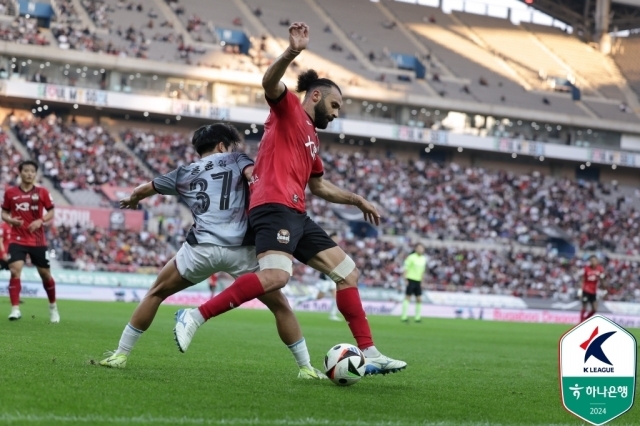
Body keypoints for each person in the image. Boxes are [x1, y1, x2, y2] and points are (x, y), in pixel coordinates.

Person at [173, 23, 406, 376]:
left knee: (347, 272)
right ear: (315, 96)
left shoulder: (312, 139)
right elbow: (269, 84)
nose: (337, 112)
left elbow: (321, 187)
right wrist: (292, 53)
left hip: (297, 212)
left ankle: (369, 351)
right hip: (272, 206)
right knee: (276, 278)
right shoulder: (288, 113)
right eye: (335, 104)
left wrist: (357, 200)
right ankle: (195, 314)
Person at [99, 123, 325, 379]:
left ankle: (120, 354)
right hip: (242, 250)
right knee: (281, 307)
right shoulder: (237, 158)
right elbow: (254, 176)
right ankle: (306, 368)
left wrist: (132, 200)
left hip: (201, 249)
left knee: (156, 293)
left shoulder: (183, 172)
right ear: (221, 146)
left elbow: (143, 189)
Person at [1, 161, 58, 322]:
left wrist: (41, 220)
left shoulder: (42, 192)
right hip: (17, 238)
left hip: (37, 240)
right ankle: (15, 309)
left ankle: (53, 307)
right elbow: (3, 213)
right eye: (26, 171)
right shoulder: (10, 193)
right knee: (14, 270)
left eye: (32, 171)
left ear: (35, 174)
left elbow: (51, 211)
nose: (29, 174)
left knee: (45, 275)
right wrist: (10, 220)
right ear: (20, 173)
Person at [400, 243, 428, 323]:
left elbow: (422, 271)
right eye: (419, 248)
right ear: (416, 249)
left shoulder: (423, 259)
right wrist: (405, 279)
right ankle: (404, 316)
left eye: (421, 248)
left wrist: (422, 281)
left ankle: (417, 317)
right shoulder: (411, 257)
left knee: (419, 299)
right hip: (411, 279)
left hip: (418, 281)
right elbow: (406, 268)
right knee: (408, 297)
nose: (420, 250)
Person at [580, 255, 605, 322]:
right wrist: (580, 290)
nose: (593, 262)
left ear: (597, 261)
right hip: (586, 290)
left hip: (593, 291)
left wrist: (604, 288)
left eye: (594, 260)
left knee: (594, 309)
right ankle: (581, 321)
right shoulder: (586, 269)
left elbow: (602, 279)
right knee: (584, 307)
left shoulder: (600, 269)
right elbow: (582, 279)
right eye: (591, 261)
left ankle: (585, 319)